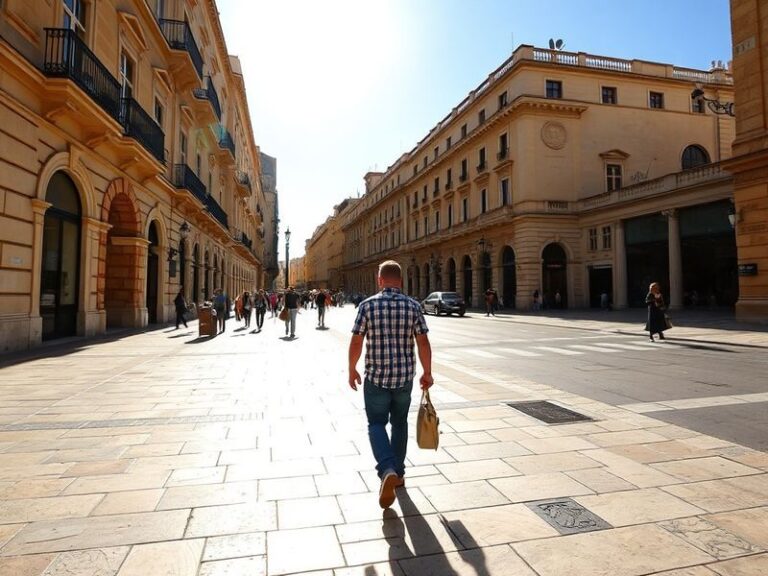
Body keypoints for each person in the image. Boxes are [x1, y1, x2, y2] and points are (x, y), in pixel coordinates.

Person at [348, 260, 433, 509]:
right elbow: (423, 342)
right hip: (404, 378)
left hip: (376, 378)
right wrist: (427, 373)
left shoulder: (367, 305)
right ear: (401, 281)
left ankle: (387, 469)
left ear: (380, 280)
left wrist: (351, 368)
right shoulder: (413, 306)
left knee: (376, 424)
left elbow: (356, 341)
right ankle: (399, 473)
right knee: (399, 424)